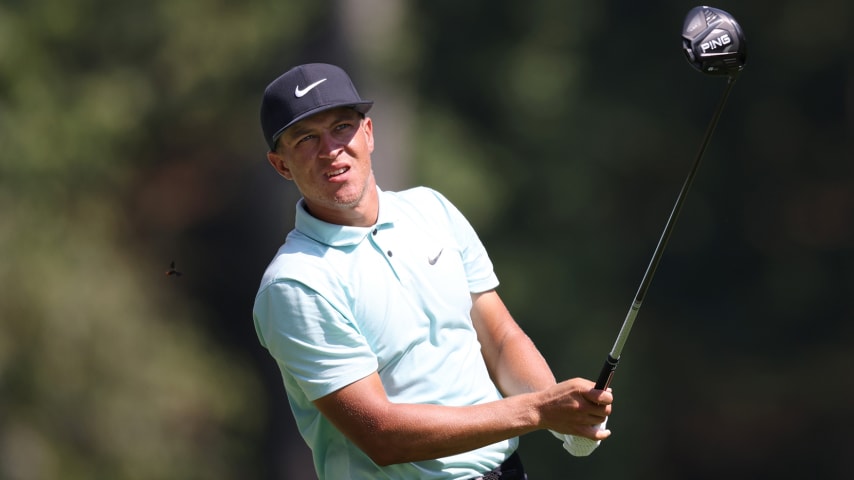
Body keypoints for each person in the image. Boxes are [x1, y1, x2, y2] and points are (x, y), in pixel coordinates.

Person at [253, 63, 613, 479]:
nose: (331, 149)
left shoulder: (431, 209)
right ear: (281, 165)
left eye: (342, 127)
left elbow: (498, 338)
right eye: (306, 138)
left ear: (368, 133)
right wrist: (538, 411)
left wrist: (565, 418)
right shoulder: (297, 284)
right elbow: (382, 435)